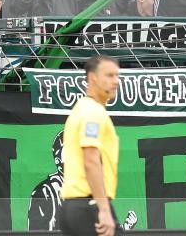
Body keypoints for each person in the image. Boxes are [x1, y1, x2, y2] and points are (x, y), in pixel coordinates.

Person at [59, 55, 120, 236]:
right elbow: (91, 161)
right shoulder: (92, 112)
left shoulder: (82, 108)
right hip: (89, 206)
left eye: (117, 75)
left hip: (77, 207)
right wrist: (104, 209)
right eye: (109, 75)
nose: (116, 81)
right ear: (92, 78)